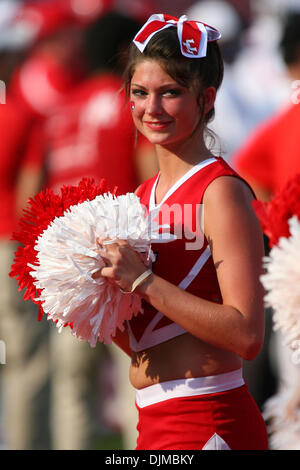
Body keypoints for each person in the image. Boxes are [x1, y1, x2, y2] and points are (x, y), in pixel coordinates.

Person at [92, 13, 269, 450]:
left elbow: (247, 335)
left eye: (170, 93)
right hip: (152, 418)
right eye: (140, 93)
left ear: (206, 99)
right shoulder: (140, 197)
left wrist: (144, 282)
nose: (151, 109)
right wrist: (86, 296)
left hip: (209, 419)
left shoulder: (221, 192)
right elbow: (143, 338)